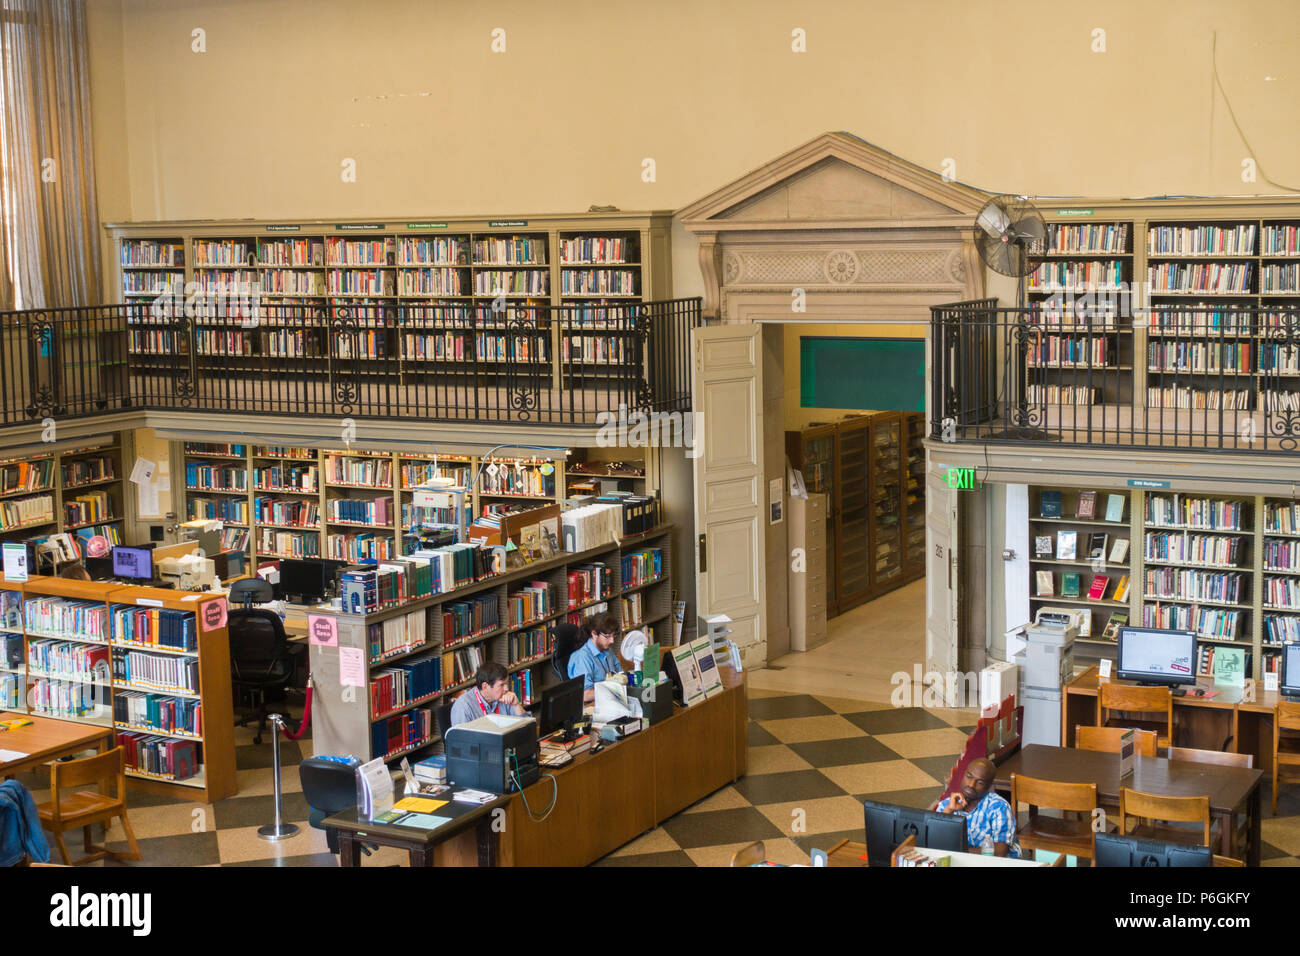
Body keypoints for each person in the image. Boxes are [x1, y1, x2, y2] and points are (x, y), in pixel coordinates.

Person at [933, 757, 1018, 857]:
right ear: (963, 775)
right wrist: (949, 811)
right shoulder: (946, 804)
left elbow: (1000, 852)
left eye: (980, 782)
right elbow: (933, 840)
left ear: (989, 786)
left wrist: (958, 853)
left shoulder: (999, 807)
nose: (971, 785)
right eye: (969, 777)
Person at [567, 611, 622, 702]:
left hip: (611, 700)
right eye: (607, 636)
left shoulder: (607, 649)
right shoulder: (582, 658)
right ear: (594, 634)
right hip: (593, 705)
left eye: (613, 635)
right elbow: (585, 695)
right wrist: (611, 690)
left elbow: (619, 673)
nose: (612, 641)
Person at [448, 662, 525, 727]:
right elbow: (462, 742)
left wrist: (516, 705)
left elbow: (526, 729)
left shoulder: (505, 697)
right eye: (501, 685)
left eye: (506, 684)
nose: (507, 689)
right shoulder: (463, 707)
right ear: (485, 686)